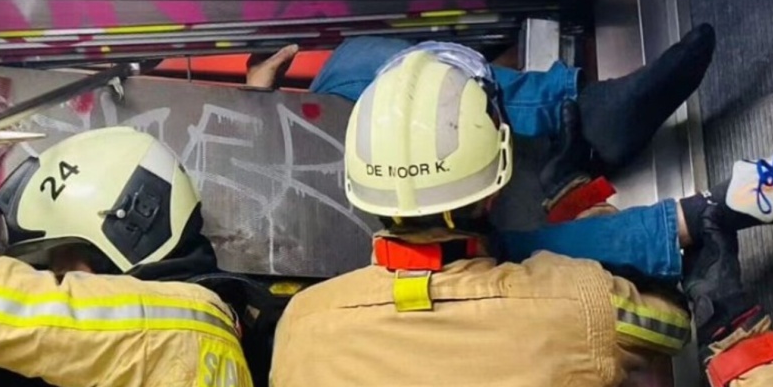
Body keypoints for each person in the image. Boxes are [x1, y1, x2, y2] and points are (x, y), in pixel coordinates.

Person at [268, 48, 773, 387]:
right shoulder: (568, 299)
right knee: (517, 266)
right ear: (494, 191)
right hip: (566, 294)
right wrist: (731, 319)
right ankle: (704, 207)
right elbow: (669, 323)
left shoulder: (300, 329)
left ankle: (679, 184)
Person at [245, 27, 717, 281]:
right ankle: (585, 122)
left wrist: (253, 112)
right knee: (497, 262)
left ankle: (580, 110)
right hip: (360, 273)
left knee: (352, 69)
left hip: (288, 207)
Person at [0, 128, 263, 387]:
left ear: (126, 233)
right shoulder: (216, 323)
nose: (58, 280)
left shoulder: (135, 323)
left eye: (63, 268)